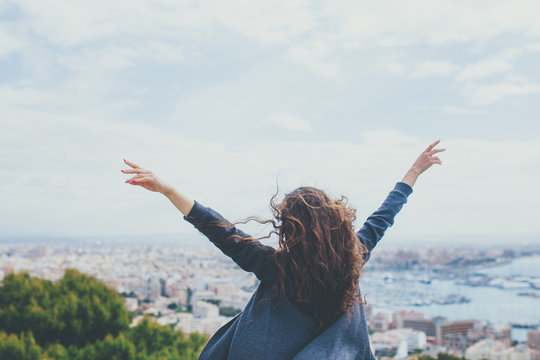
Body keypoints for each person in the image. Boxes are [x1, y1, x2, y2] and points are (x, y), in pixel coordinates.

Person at [122, 140, 445, 359]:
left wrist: (168, 191)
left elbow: (221, 230)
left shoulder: (275, 267)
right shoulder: (353, 257)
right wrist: (412, 173)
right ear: (335, 223)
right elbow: (382, 217)